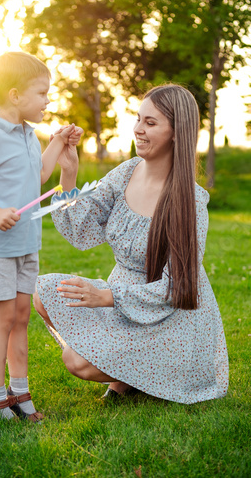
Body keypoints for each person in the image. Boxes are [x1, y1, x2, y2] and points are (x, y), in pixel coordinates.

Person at [33, 84, 229, 404]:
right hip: (121, 305)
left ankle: (136, 377)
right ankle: (129, 377)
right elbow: (83, 228)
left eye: (151, 123)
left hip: (170, 321)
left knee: (76, 361)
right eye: (138, 119)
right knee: (42, 293)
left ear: (177, 132)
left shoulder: (189, 201)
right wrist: (69, 172)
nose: (138, 129)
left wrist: (105, 296)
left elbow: (179, 287)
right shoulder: (126, 172)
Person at [0, 51, 83, 421]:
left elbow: (38, 176)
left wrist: (58, 141)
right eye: (42, 93)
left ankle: (20, 394)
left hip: (26, 243)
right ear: (14, 96)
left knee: (21, 316)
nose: (48, 100)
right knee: (3, 318)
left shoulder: (27, 133)